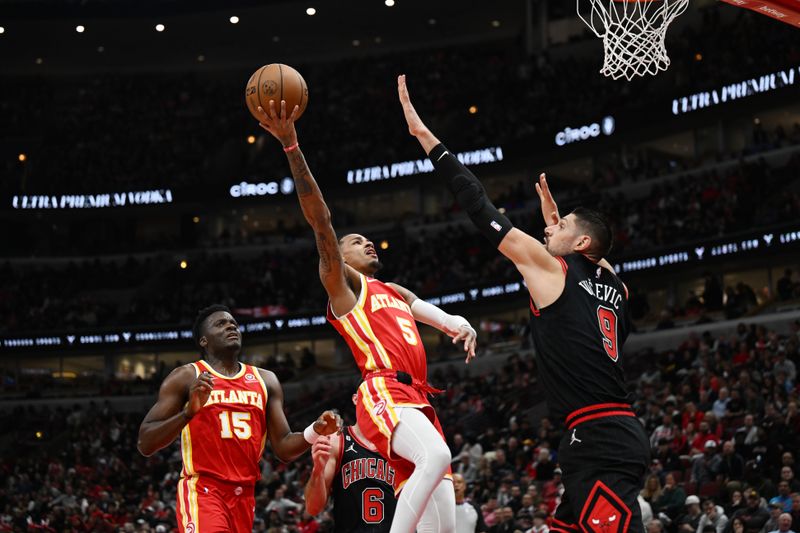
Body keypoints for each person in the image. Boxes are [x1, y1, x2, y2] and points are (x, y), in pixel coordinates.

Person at [399, 75, 650, 533]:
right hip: (607, 430)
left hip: (599, 436)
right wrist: (562, 230)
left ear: (583, 242)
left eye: (560, 225)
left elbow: (480, 206)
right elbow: (597, 265)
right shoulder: (618, 289)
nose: (549, 228)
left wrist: (426, 138)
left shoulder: (553, 271)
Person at [256, 101, 478, 533]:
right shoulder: (343, 285)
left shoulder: (394, 291)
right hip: (383, 393)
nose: (369, 244)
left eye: (370, 240)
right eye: (357, 241)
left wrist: (460, 324)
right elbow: (320, 218)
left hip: (419, 403)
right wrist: (291, 146)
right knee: (437, 457)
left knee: (445, 524)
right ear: (339, 255)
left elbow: (439, 316)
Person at [137, 304, 341, 533]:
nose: (230, 326)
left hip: (244, 495)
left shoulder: (266, 380)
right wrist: (188, 413)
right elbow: (145, 442)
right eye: (220, 324)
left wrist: (315, 429)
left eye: (233, 323)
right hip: (204, 490)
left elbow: (283, 447)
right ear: (203, 341)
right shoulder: (187, 376)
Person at [303, 409, 398, 532]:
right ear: (356, 399)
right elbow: (313, 508)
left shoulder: (402, 444)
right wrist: (318, 469)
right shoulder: (337, 441)